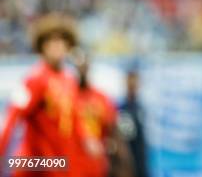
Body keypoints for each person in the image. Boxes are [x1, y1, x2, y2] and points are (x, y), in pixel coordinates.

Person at [0, 13, 83, 177]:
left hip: (63, 165)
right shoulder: (34, 79)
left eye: (61, 41)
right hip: (38, 166)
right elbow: (12, 118)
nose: (56, 46)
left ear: (68, 46)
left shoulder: (70, 79)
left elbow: (75, 125)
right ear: (42, 46)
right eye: (50, 41)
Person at [72, 51, 133, 177]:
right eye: (79, 66)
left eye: (85, 66)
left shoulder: (101, 98)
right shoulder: (66, 96)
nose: (82, 70)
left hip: (96, 165)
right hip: (70, 164)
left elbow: (114, 133)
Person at [117, 70, 148, 177]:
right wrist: (126, 166)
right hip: (130, 166)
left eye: (135, 83)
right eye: (131, 83)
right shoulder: (123, 109)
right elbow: (123, 142)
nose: (133, 86)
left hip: (142, 164)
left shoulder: (141, 107)